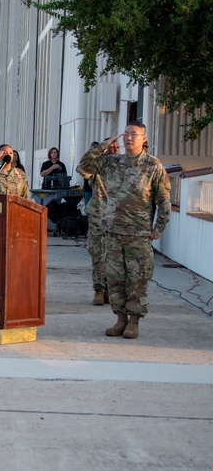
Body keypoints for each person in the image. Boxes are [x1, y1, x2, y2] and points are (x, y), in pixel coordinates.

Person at [77, 121, 171, 339]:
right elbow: (83, 166)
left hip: (138, 234)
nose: (129, 137)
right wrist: (103, 145)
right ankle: (120, 319)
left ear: (144, 139)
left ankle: (134, 322)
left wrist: (159, 228)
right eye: (126, 133)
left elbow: (164, 200)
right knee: (115, 278)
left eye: (134, 134)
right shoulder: (112, 162)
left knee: (138, 279)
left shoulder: (152, 166)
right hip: (112, 232)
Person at [80, 140, 119, 305]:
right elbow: (82, 166)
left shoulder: (124, 166)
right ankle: (98, 289)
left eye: (116, 147)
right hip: (98, 214)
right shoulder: (98, 165)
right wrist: (101, 147)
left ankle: (110, 289)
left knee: (114, 256)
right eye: (110, 147)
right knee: (97, 253)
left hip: (118, 216)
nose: (113, 149)